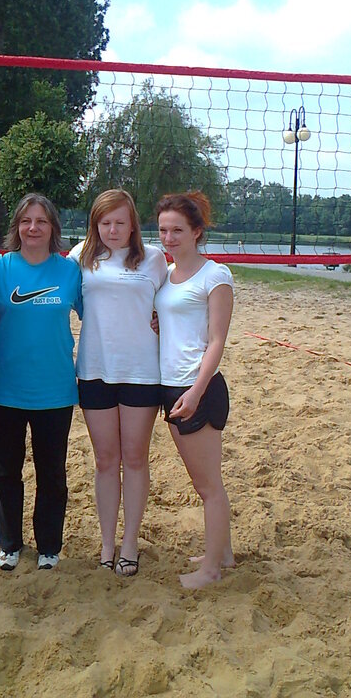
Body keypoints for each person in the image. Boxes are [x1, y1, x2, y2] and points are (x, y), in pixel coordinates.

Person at [68, 189, 167, 576]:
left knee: (135, 459)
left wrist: (159, 319)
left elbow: (174, 303)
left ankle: (130, 543)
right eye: (105, 222)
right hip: (95, 370)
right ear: (95, 225)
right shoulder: (80, 256)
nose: (112, 229)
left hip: (142, 372)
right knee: (106, 461)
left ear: (133, 225)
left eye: (120, 222)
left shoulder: (154, 259)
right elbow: (61, 298)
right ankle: (107, 543)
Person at [0, 193, 82, 572]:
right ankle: (10, 543)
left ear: (53, 227)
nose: (33, 228)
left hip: (55, 388)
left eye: (41, 221)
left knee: (52, 472)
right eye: (26, 220)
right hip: (5, 387)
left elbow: (102, 313)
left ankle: (49, 546)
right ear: (17, 226)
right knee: (6, 470)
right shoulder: (0, 267)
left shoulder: (70, 271)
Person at [154, 191, 236, 590]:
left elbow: (217, 340)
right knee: (202, 481)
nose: (169, 238)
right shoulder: (167, 275)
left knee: (208, 487)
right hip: (170, 384)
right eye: (163, 230)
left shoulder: (215, 275)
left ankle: (212, 570)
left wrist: (197, 390)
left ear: (197, 232)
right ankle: (223, 553)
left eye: (177, 231)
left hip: (197, 387)